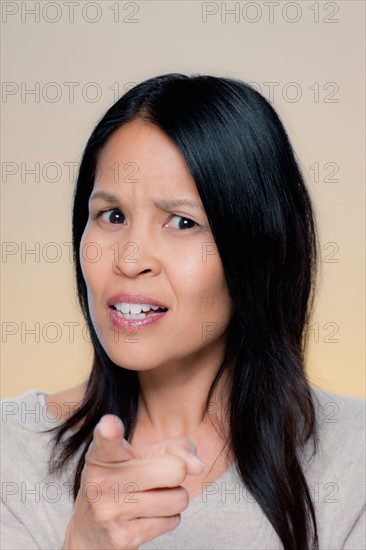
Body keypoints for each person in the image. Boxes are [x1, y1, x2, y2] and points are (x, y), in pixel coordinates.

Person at [1, 73, 365, 550]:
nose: (130, 261)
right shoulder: (13, 453)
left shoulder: (352, 460)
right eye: (112, 216)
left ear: (259, 249)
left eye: (182, 222)